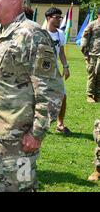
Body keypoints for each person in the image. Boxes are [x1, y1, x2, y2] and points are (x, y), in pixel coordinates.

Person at [0, 0, 64, 192]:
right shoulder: (1, 33)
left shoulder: (32, 35)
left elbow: (51, 90)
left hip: (19, 141)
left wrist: (36, 133)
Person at [44, 7, 71, 135]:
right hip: (40, 71)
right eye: (57, 17)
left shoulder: (60, 33)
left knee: (63, 96)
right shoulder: (40, 32)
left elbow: (61, 52)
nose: (60, 20)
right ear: (49, 18)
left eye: (60, 17)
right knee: (38, 98)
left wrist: (66, 67)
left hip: (55, 71)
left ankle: (60, 124)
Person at [80, 9, 100, 103]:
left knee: (99, 74)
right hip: (93, 54)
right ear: (98, 15)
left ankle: (98, 95)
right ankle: (90, 95)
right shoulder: (92, 24)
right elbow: (84, 38)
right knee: (92, 74)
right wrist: (85, 52)